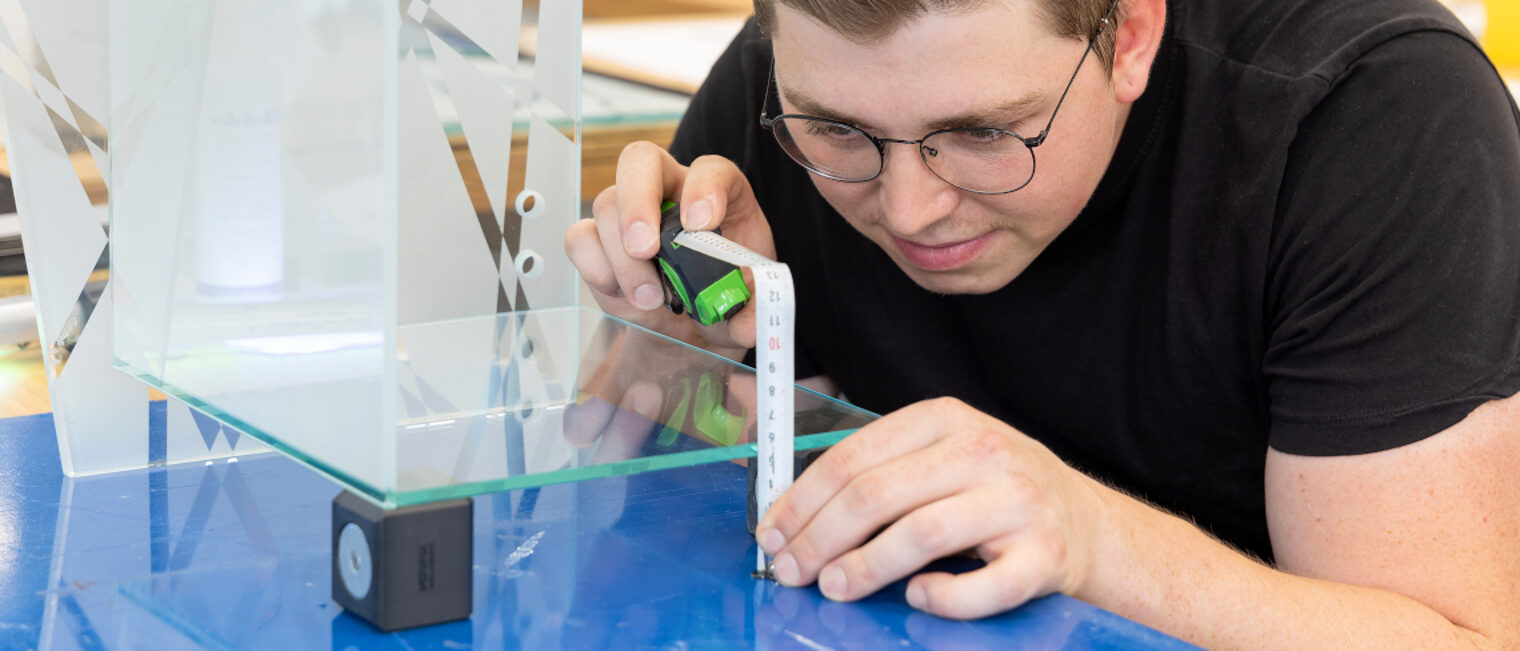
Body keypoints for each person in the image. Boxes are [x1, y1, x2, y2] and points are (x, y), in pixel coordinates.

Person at [565, 0, 1520, 646]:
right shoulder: (811, 69)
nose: (907, 209)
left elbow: (1454, 638)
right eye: (840, 134)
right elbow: (642, 491)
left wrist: (1094, 541)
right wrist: (677, 340)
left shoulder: (1372, 116)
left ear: (1132, 33)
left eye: (984, 133)